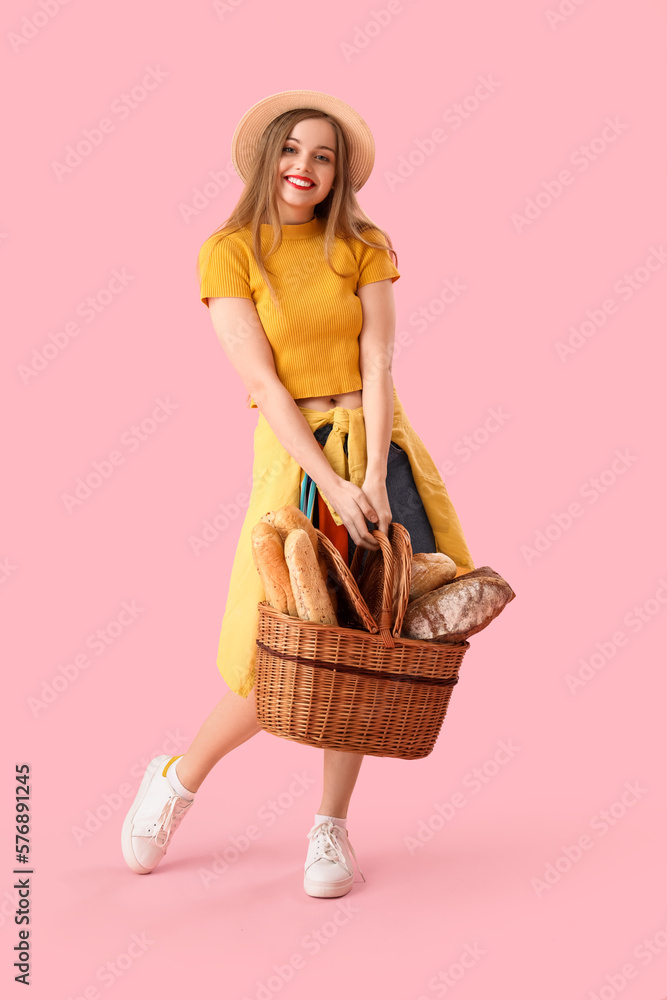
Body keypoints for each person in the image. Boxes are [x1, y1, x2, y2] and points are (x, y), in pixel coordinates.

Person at [120, 90, 475, 898]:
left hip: (379, 446)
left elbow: (380, 362)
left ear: (338, 171)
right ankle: (175, 781)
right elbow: (264, 384)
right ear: (267, 158)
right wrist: (331, 483)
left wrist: (374, 474)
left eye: (323, 156)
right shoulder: (229, 252)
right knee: (278, 641)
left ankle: (329, 827)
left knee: (367, 643)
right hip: (298, 456)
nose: (305, 168)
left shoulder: (364, 245)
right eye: (293, 151)